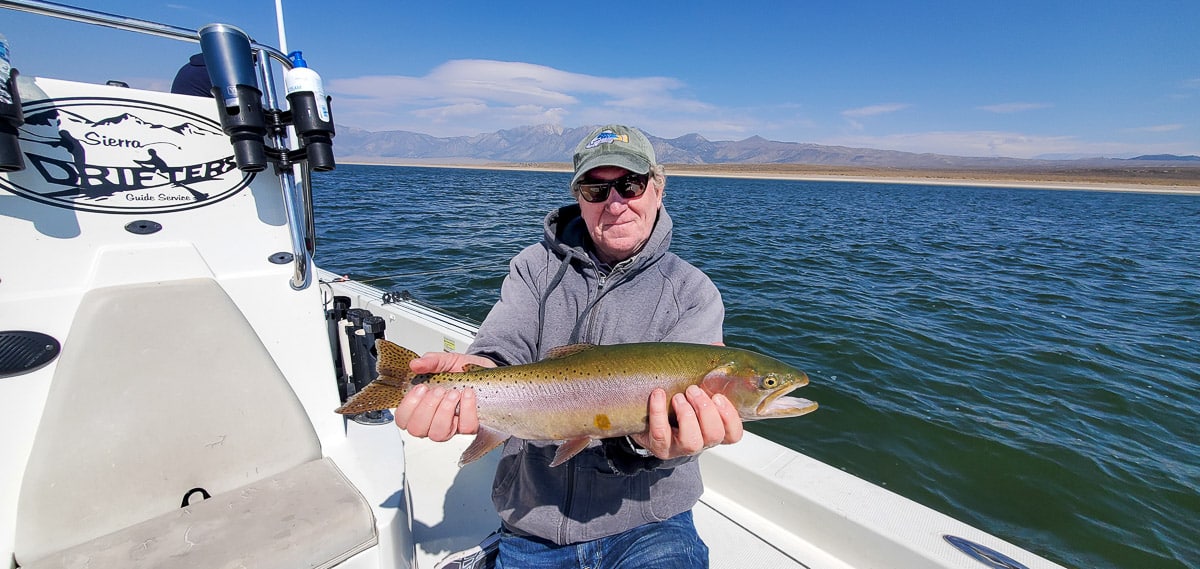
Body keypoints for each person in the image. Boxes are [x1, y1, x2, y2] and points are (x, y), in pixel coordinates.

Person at [396, 124, 741, 568]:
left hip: (651, 522)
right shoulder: (532, 268)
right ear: (579, 197)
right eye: (596, 191)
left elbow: (682, 424)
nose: (615, 203)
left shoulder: (693, 292)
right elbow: (502, 351)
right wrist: (473, 371)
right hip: (533, 517)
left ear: (658, 190)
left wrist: (665, 441)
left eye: (630, 185)